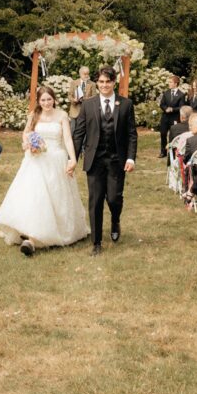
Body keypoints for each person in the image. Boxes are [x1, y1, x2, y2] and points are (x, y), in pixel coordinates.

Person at [0, 86, 89, 256]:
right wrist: (29, 143)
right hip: (36, 160)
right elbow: (26, 133)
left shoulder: (62, 115)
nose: (46, 103)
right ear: (38, 101)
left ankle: (44, 234)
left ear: (54, 99)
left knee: (55, 196)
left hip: (56, 159)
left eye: (49, 99)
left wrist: (72, 159)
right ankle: (31, 235)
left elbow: (68, 139)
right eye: (43, 100)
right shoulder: (34, 115)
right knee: (35, 196)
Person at [72, 65, 137, 256]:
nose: (104, 85)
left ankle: (115, 220)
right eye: (101, 82)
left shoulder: (126, 104)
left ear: (114, 82)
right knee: (96, 200)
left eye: (108, 81)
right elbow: (79, 133)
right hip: (95, 160)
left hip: (117, 160)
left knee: (114, 198)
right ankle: (97, 242)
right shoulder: (88, 105)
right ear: (97, 83)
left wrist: (131, 158)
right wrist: (72, 159)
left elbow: (131, 134)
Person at [158, 75, 187, 157]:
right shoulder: (166, 93)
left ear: (175, 83)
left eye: (170, 82)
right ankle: (163, 152)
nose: (169, 84)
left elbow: (181, 107)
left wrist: (172, 109)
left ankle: (173, 152)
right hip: (165, 117)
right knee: (163, 134)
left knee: (173, 135)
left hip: (174, 118)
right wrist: (165, 109)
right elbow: (162, 104)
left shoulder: (181, 95)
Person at [67, 66, 97, 132]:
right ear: (80, 74)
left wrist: (86, 99)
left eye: (87, 74)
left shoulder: (92, 84)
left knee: (84, 131)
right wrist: (74, 100)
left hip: (87, 111)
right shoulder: (74, 83)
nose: (86, 75)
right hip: (75, 110)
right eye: (84, 74)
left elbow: (94, 97)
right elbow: (69, 95)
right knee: (72, 130)